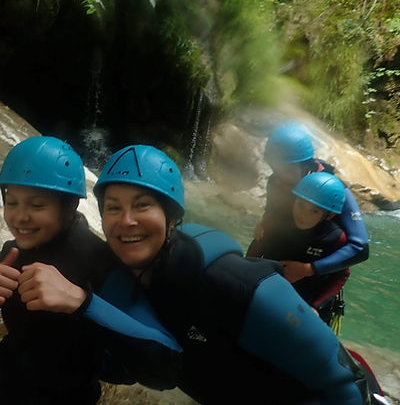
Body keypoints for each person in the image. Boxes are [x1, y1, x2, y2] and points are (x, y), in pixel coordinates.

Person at [28, 145, 379, 404]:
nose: (126, 221)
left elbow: (345, 383)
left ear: (171, 217)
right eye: (113, 208)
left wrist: (82, 302)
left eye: (143, 205)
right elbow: (143, 365)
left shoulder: (236, 283)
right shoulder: (130, 281)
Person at [0, 136, 118, 405]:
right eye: (12, 202)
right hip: (3, 392)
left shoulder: (101, 261)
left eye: (36, 205)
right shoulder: (13, 254)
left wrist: (83, 304)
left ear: (70, 207)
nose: (19, 217)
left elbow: (129, 364)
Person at [253, 122, 369, 283]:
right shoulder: (276, 181)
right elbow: (272, 211)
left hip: (315, 271)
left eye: (287, 171)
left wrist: (310, 269)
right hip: (281, 259)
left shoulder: (335, 190)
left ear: (307, 167)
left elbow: (360, 248)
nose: (279, 178)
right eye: (275, 169)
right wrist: (264, 222)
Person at [247, 171, 351, 324]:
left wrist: (316, 306)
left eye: (314, 211)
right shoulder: (276, 221)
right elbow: (256, 250)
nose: (303, 215)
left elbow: (340, 275)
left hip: (307, 303)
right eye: (300, 205)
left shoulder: (335, 238)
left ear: (329, 216)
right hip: (267, 292)